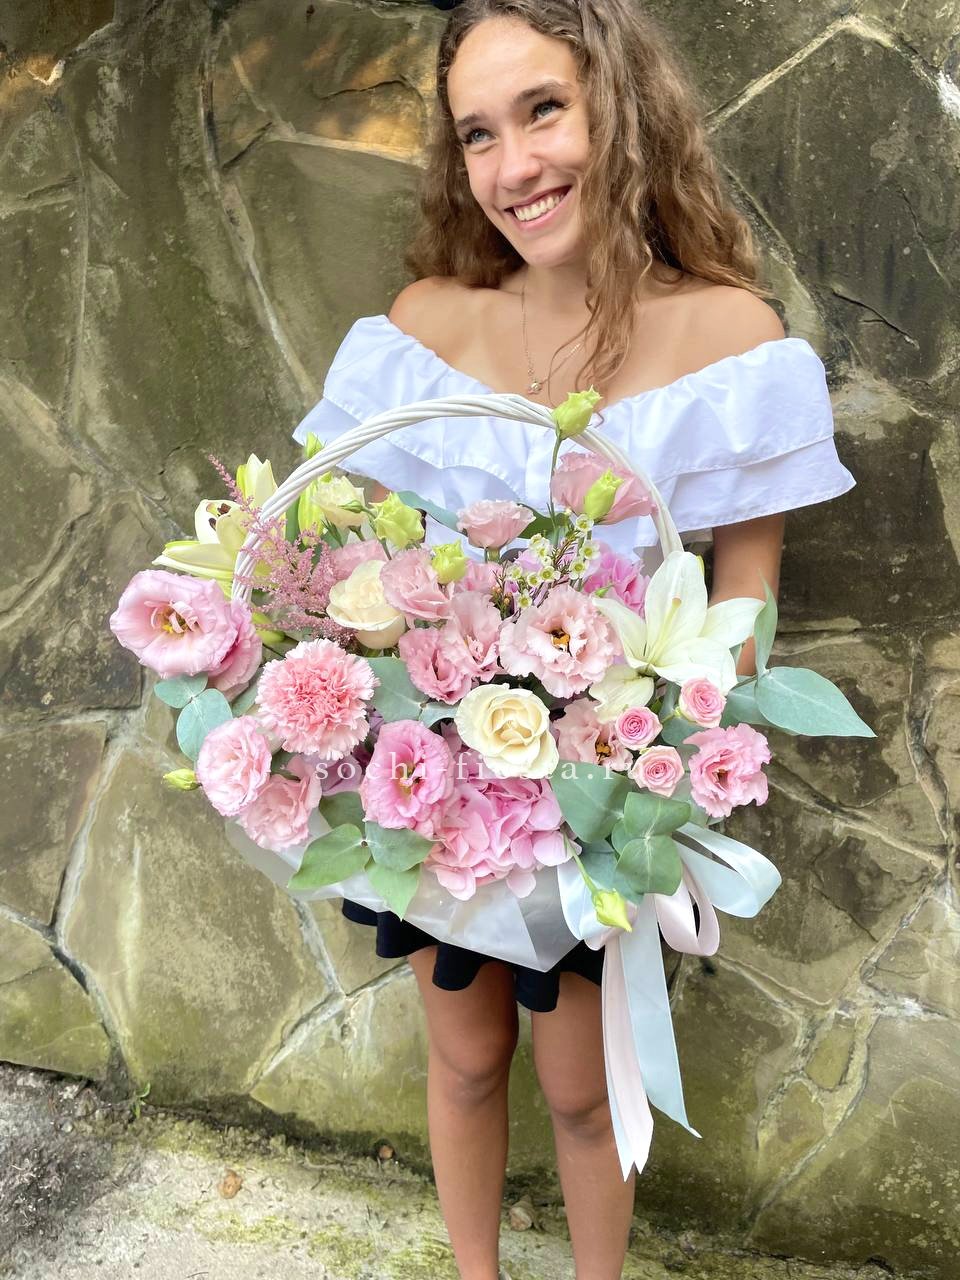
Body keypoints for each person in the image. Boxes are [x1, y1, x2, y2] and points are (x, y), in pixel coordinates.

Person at [291, 3, 855, 1277]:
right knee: (463, 1053)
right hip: (445, 794)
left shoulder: (731, 342)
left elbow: (744, 610)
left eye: (544, 109)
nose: (514, 165)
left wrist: (644, 752)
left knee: (583, 1083)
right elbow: (364, 568)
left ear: (621, 103)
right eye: (478, 133)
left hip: (599, 804)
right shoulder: (424, 329)